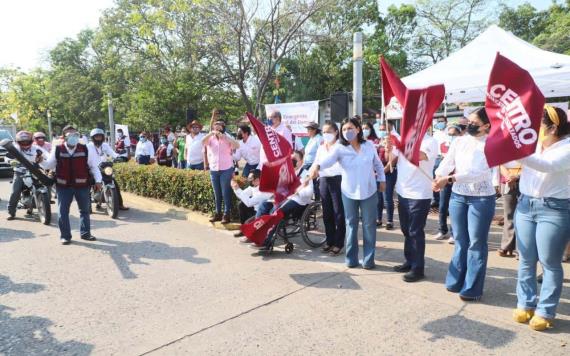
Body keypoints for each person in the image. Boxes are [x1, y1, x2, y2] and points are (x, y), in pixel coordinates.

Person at [512, 106, 570, 331]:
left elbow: (547, 166)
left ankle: (545, 310)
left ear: (553, 127)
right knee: (526, 259)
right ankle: (524, 304)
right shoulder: (533, 145)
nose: (533, 128)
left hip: (553, 209)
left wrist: (514, 149)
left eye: (538, 123)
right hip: (526, 205)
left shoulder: (567, 147)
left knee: (549, 262)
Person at [434, 107, 496, 300]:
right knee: (460, 240)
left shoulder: (492, 144)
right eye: (468, 121)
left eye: (474, 123)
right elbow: (447, 162)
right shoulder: (459, 141)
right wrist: (438, 176)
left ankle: (472, 288)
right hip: (459, 196)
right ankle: (455, 280)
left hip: (482, 197)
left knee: (476, 243)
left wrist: (449, 180)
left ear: (486, 125)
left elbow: (478, 173)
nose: (469, 125)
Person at [310, 117, 386, 269]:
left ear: (358, 129)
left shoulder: (369, 145)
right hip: (348, 192)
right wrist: (317, 166)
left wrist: (382, 180)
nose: (347, 132)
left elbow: (377, 164)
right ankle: (351, 259)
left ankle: (369, 260)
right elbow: (328, 161)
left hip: (369, 191)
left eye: (350, 128)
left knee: (369, 226)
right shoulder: (340, 148)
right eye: (344, 129)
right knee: (351, 225)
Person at [388, 122, 438, 282]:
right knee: (405, 229)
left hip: (419, 193)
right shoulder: (403, 140)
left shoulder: (430, 141)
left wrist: (401, 144)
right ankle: (409, 261)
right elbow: (392, 162)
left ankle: (418, 268)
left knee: (415, 231)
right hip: (403, 191)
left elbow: (420, 156)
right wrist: (390, 148)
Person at [42, 125, 102, 244]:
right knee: (63, 212)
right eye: (70, 135)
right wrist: (39, 160)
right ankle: (65, 236)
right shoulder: (57, 149)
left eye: (76, 135)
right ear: (64, 137)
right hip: (63, 187)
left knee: (84, 211)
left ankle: (85, 234)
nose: (73, 137)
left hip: (82, 186)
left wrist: (98, 181)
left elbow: (94, 166)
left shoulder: (85, 149)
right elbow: (48, 165)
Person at [255, 151, 314, 251]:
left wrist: (298, 192)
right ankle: (257, 234)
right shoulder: (286, 172)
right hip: (283, 198)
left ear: (301, 162)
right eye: (290, 160)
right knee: (263, 206)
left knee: (276, 211)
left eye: (294, 160)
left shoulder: (305, 174)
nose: (291, 162)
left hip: (298, 200)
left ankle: (267, 241)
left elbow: (309, 192)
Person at [312, 121, 345, 255]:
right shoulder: (321, 147)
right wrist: (312, 171)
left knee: (338, 213)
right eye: (324, 132)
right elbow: (316, 161)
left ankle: (338, 243)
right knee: (327, 213)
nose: (326, 134)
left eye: (329, 131)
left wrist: (319, 167)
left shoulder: (341, 146)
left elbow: (331, 162)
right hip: (324, 180)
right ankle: (329, 240)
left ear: (336, 132)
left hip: (338, 179)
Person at [202, 120, 240, 224]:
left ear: (223, 127)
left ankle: (227, 215)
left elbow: (237, 145)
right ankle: (218, 213)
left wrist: (225, 137)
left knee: (225, 193)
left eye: (219, 126)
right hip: (214, 169)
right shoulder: (210, 138)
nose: (217, 128)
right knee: (217, 193)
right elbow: (202, 142)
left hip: (226, 169)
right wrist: (211, 133)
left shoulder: (227, 137)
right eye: (215, 126)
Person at [439, 117, 469, 245]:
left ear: (460, 134)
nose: (452, 137)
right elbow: (443, 164)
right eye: (450, 135)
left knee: (454, 209)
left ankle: (453, 233)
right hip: (446, 181)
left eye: (454, 135)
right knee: (442, 206)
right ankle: (442, 230)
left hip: (458, 181)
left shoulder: (465, 147)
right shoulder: (443, 146)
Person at [6, 131, 48, 220]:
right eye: (22, 141)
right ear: (18, 141)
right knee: (15, 191)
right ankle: (11, 212)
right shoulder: (15, 148)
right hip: (20, 172)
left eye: (27, 141)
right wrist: (10, 161)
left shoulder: (36, 148)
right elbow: (7, 157)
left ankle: (45, 204)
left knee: (45, 186)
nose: (25, 143)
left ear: (31, 141)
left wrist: (43, 158)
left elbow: (47, 155)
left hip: (35, 171)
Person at [87, 128, 129, 211]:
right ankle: (88, 206)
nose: (98, 138)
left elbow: (113, 153)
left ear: (103, 137)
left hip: (103, 168)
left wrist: (119, 157)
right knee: (87, 184)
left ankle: (119, 204)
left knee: (114, 183)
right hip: (91, 168)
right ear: (93, 138)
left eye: (100, 136)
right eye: (96, 137)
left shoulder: (105, 145)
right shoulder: (88, 146)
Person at [231, 169, 272, 238]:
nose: (250, 181)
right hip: (254, 209)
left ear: (258, 179)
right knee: (241, 204)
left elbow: (249, 203)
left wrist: (237, 189)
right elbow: (242, 195)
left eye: (251, 180)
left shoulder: (264, 190)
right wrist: (235, 188)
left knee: (247, 223)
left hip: (262, 213)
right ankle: (244, 230)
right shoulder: (253, 186)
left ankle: (249, 232)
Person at [363, 121, 385, 227]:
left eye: (366, 128)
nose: (364, 130)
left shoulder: (375, 141)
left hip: (375, 173)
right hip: (365, 174)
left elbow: (378, 158)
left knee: (378, 198)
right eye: (362, 128)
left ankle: (378, 217)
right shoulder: (359, 142)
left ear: (371, 129)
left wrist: (377, 171)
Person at [497, 161, 521, 257]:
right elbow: (500, 162)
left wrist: (517, 176)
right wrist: (509, 176)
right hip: (508, 181)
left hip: (526, 181)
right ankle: (507, 246)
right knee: (509, 215)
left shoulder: (533, 146)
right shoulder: (507, 146)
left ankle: (520, 250)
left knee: (523, 218)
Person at [378, 122, 397, 230]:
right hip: (378, 174)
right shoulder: (378, 143)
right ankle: (379, 219)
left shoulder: (393, 142)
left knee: (387, 197)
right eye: (380, 129)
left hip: (389, 174)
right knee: (379, 198)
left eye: (383, 129)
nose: (381, 131)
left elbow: (392, 162)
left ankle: (389, 221)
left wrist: (388, 150)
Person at [431, 116, 449, 208]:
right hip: (436, 158)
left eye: (442, 121)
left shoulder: (449, 133)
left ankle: (444, 202)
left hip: (445, 159)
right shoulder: (436, 133)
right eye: (438, 121)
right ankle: (435, 200)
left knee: (443, 180)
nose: (440, 123)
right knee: (435, 179)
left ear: (446, 122)